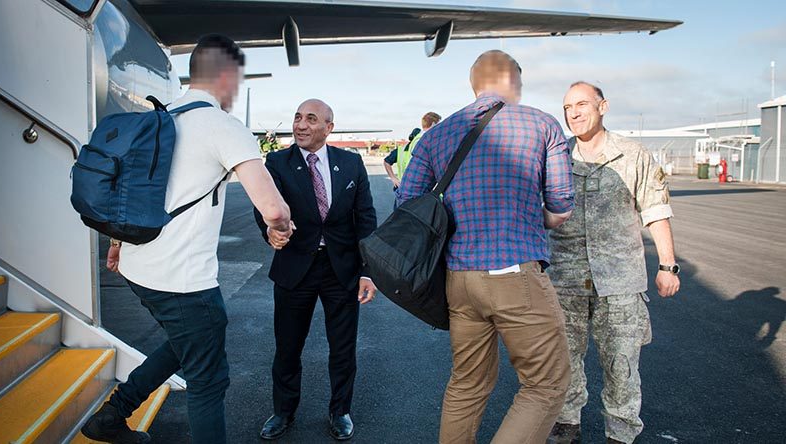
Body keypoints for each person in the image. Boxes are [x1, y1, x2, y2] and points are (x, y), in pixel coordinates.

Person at [80, 34, 293, 444]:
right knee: (208, 379)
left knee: (186, 344)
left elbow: (135, 189)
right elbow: (275, 209)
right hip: (184, 283)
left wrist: (116, 243)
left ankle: (112, 416)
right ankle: (114, 416)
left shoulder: (157, 117)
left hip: (137, 269)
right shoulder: (223, 126)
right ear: (228, 76)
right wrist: (279, 228)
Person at [397, 50, 575, 444]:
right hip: (515, 275)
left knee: (467, 384)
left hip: (459, 280)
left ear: (474, 84)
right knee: (546, 384)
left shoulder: (437, 135)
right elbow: (561, 204)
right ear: (514, 82)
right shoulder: (542, 124)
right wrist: (535, 214)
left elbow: (407, 203)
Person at [546, 81, 680, 444]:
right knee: (564, 364)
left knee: (622, 368)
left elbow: (655, 209)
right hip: (565, 280)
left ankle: (620, 434)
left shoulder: (632, 154)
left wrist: (667, 265)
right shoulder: (557, 155)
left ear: (602, 106)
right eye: (567, 107)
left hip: (619, 282)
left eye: (581, 104)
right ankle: (565, 425)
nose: (573, 113)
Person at [254, 99, 377, 441]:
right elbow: (264, 207)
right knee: (288, 347)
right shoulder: (277, 162)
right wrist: (270, 230)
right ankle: (283, 412)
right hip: (296, 269)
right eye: (297, 117)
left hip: (342, 270)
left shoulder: (350, 164)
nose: (300, 125)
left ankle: (340, 412)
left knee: (342, 348)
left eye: (310, 119)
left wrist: (367, 272)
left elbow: (365, 219)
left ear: (328, 127)